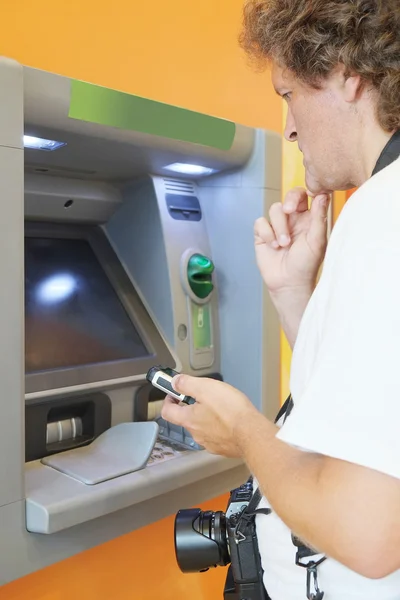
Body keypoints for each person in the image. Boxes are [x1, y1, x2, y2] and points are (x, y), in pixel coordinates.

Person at [161, 0, 400, 597]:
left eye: (288, 93)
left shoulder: (381, 213)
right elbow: (376, 415)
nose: (288, 127)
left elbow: (367, 531)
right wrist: (296, 294)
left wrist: (242, 428)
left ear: (348, 73)